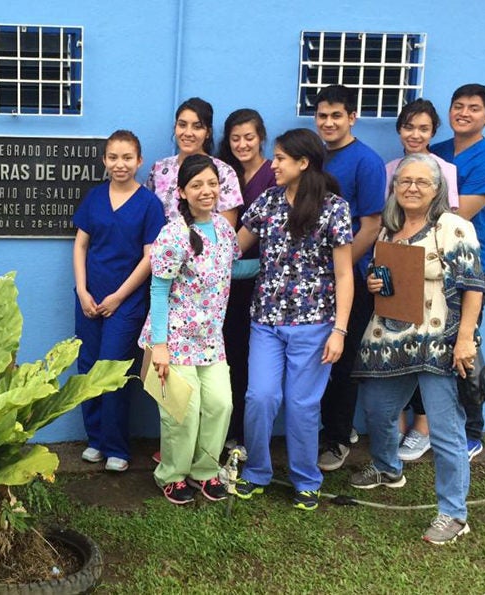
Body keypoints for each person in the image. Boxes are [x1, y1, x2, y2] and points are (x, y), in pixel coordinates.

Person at [350, 153, 485, 545]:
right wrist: (376, 283)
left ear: (437, 189)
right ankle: (388, 468)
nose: (411, 188)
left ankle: (454, 514)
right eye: (404, 181)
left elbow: (474, 286)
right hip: (390, 341)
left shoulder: (453, 228)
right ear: (394, 188)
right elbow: (385, 278)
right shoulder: (389, 231)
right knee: (378, 409)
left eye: (421, 182)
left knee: (445, 430)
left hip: (437, 342)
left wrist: (465, 339)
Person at [234, 129, 354, 511]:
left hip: (315, 324)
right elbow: (234, 247)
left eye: (281, 158)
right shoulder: (267, 202)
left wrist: (340, 330)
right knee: (260, 397)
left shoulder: (334, 208)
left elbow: (345, 275)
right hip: (265, 320)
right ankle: (257, 471)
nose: (274, 165)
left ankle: (306, 479)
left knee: (303, 405)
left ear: (303, 163)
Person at [141, 154, 237, 505]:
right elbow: (158, 288)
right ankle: (172, 473)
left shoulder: (225, 229)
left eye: (211, 183)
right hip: (175, 338)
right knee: (183, 408)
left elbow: (228, 271)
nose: (206, 190)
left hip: (211, 338)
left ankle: (205, 471)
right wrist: (160, 345)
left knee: (220, 404)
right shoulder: (174, 233)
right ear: (182, 191)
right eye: (196, 185)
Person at [73, 130, 166, 472]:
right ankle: (95, 440)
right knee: (87, 367)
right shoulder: (95, 198)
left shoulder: (149, 205)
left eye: (127, 157)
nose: (120, 164)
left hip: (124, 303)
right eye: (113, 157)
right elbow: (81, 245)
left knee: (113, 369)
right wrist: (82, 290)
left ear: (139, 161)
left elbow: (149, 258)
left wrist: (118, 296)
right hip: (89, 299)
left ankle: (117, 447)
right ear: (104, 161)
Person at [431, 84, 485, 460]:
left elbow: (460, 214)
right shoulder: (438, 152)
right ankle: (427, 426)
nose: (463, 113)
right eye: (457, 106)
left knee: (465, 345)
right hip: (430, 262)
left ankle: (472, 430)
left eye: (473, 108)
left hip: (469, 267)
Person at [313, 84, 386, 473]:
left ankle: (338, 439)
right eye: (322, 115)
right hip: (310, 286)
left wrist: (336, 270)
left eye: (336, 115)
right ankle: (321, 432)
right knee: (315, 360)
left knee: (342, 363)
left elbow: (372, 225)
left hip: (349, 281)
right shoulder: (313, 157)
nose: (328, 122)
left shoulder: (366, 162)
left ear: (352, 117)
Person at [384, 99, 460, 462]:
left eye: (423, 128)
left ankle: (422, 429)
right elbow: (387, 219)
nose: (415, 134)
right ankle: (395, 429)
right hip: (394, 271)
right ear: (399, 129)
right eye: (408, 126)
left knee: (427, 354)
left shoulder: (444, 169)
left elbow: (448, 224)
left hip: (432, 277)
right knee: (396, 348)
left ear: (433, 132)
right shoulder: (389, 169)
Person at [216, 108, 278, 445]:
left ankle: (240, 434)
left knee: (247, 359)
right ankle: (222, 431)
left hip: (258, 281)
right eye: (235, 138)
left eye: (249, 137)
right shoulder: (224, 175)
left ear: (261, 138)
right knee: (224, 355)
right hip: (221, 285)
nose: (242, 144)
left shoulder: (273, 176)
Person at [145, 97, 244, 226]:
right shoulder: (159, 169)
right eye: (182, 125)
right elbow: (146, 215)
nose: (188, 133)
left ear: (208, 132)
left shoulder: (224, 172)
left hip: (205, 246)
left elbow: (225, 232)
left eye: (197, 127)